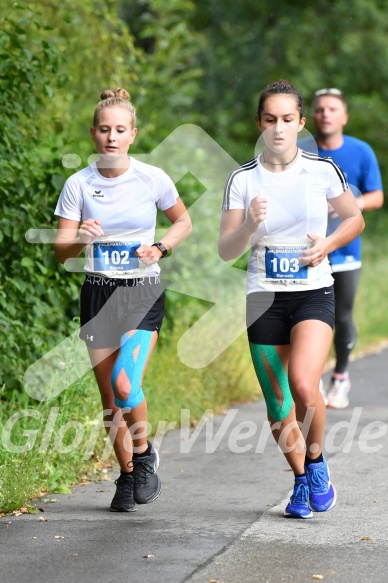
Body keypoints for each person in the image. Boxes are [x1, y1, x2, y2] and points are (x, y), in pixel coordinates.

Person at [219, 80, 364, 519]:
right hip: (263, 298)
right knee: (279, 407)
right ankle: (300, 480)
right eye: (270, 120)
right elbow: (226, 249)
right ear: (259, 124)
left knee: (304, 384)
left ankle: (317, 465)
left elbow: (355, 219)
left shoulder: (322, 170)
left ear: (301, 123)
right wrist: (249, 225)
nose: (278, 129)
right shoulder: (243, 179)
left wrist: (327, 245)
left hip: (313, 292)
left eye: (287, 120)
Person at [54, 88, 192, 512]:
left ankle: (145, 454)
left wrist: (161, 248)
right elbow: (61, 251)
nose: (111, 137)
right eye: (103, 130)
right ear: (93, 134)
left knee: (125, 383)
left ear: (132, 134)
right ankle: (128, 475)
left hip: (141, 292)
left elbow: (182, 221)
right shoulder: (78, 184)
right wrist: (80, 237)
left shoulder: (152, 178)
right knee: (111, 403)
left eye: (119, 130)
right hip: (97, 293)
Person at [311, 88, 384, 409]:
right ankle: (309, 376)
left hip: (345, 250)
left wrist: (351, 203)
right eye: (320, 109)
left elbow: (377, 196)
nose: (325, 114)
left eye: (332, 109)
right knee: (311, 317)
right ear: (311, 116)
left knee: (341, 316)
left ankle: (340, 377)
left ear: (344, 116)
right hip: (307, 250)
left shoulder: (360, 151)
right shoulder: (301, 151)